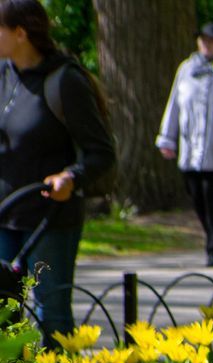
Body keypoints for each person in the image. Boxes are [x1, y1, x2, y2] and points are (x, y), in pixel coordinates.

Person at [0, 0, 114, 342]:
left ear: (21, 33)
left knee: (52, 316)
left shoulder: (64, 80)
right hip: (4, 216)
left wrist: (72, 177)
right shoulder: (3, 76)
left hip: (49, 220)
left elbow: (101, 152)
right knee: (5, 316)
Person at [156, 23, 213, 267]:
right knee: (196, 196)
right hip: (190, 148)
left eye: (211, 40)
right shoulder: (187, 69)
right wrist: (167, 138)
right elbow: (174, 104)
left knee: (212, 196)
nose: (206, 44)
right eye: (203, 40)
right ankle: (211, 237)